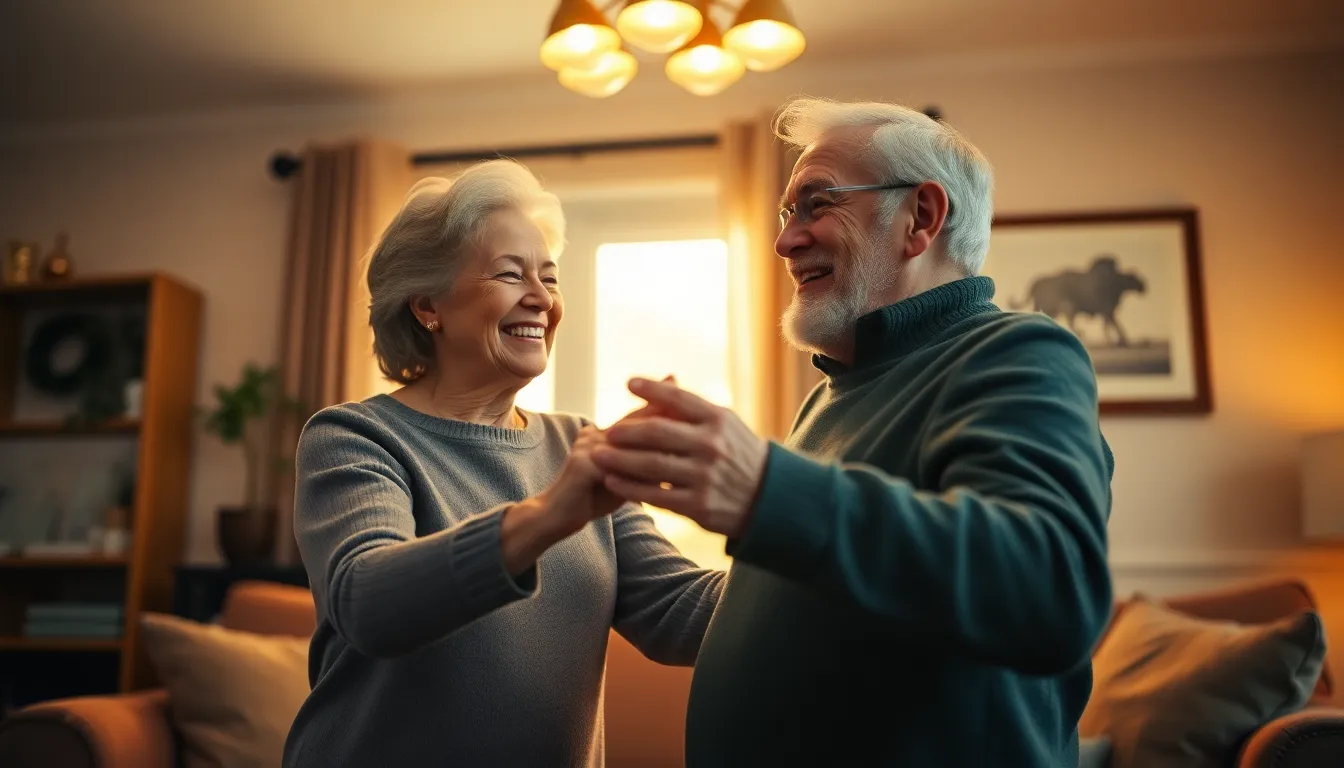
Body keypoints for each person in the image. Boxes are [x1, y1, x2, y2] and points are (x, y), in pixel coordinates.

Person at [589, 97, 1115, 767]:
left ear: (920, 218)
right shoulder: (833, 395)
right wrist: (595, 512)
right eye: (787, 212)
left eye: (817, 204)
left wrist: (762, 487)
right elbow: (800, 605)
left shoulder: (1016, 351)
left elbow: (1050, 590)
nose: (785, 240)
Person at [282, 159, 724, 767]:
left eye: (551, 277)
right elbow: (367, 605)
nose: (542, 299)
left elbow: (676, 614)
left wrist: (793, 526)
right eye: (510, 274)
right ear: (427, 306)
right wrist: (549, 513)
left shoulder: (577, 445)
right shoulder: (355, 436)